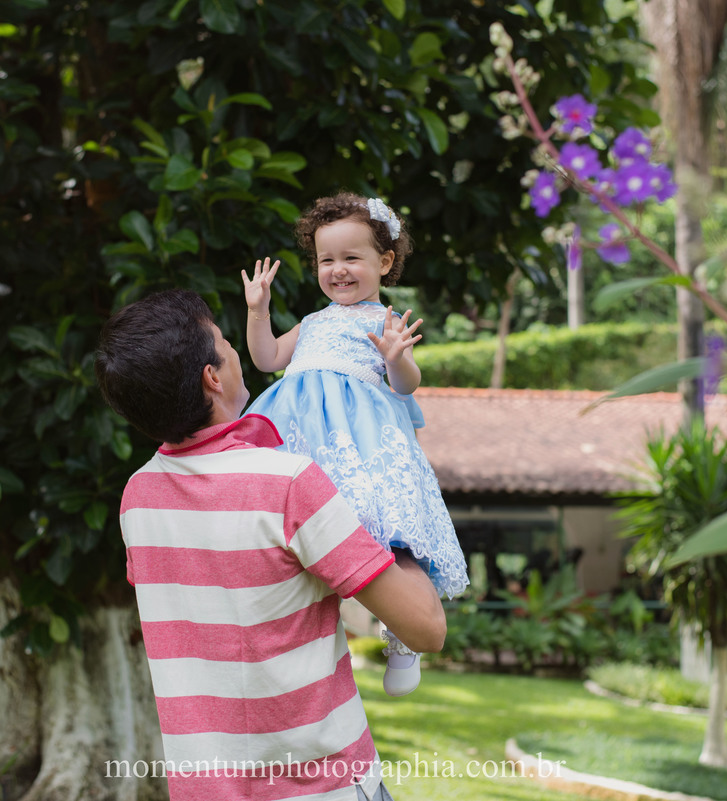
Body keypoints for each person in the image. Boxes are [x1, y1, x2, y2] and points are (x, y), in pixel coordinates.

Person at [95, 288, 446, 801]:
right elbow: (426, 628)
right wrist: (400, 497)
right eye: (224, 341)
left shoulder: (139, 497)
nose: (236, 349)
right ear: (212, 377)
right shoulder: (286, 484)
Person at [242, 193, 469, 697]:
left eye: (352, 258)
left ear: (384, 263)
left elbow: (407, 386)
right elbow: (266, 358)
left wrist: (395, 358)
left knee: (383, 528)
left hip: (355, 437)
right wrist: (259, 311)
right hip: (296, 431)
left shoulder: (383, 322)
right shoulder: (315, 321)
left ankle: (403, 637)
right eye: (327, 260)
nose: (338, 271)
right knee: (286, 530)